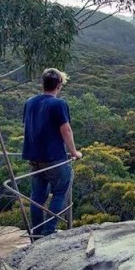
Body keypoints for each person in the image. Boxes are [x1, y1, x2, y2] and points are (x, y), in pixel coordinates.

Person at [22, 68, 82, 239]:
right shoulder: (58, 104)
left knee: (37, 198)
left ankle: (37, 234)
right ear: (59, 85)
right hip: (54, 158)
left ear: (43, 83)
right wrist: (74, 152)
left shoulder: (30, 102)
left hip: (34, 157)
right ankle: (48, 232)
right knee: (60, 192)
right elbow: (66, 130)